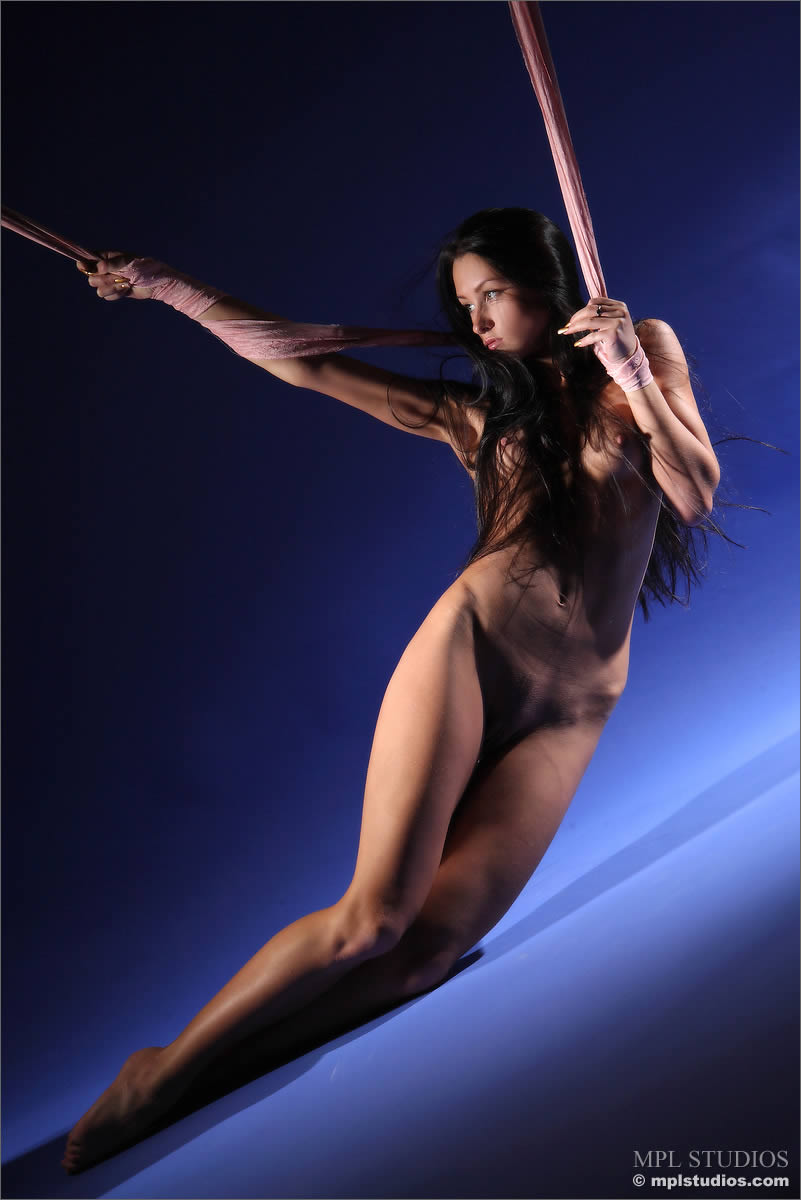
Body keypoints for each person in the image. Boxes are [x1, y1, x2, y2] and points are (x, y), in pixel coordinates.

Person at [61, 207, 720, 1174]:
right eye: (465, 305)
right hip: (471, 650)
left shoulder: (642, 351)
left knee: (422, 957)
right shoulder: (475, 416)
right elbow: (301, 361)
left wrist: (631, 375)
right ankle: (157, 1075)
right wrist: (166, 287)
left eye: (492, 293)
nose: (477, 321)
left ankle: (212, 1070)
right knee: (373, 921)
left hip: (576, 705)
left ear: (549, 284)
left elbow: (695, 490)